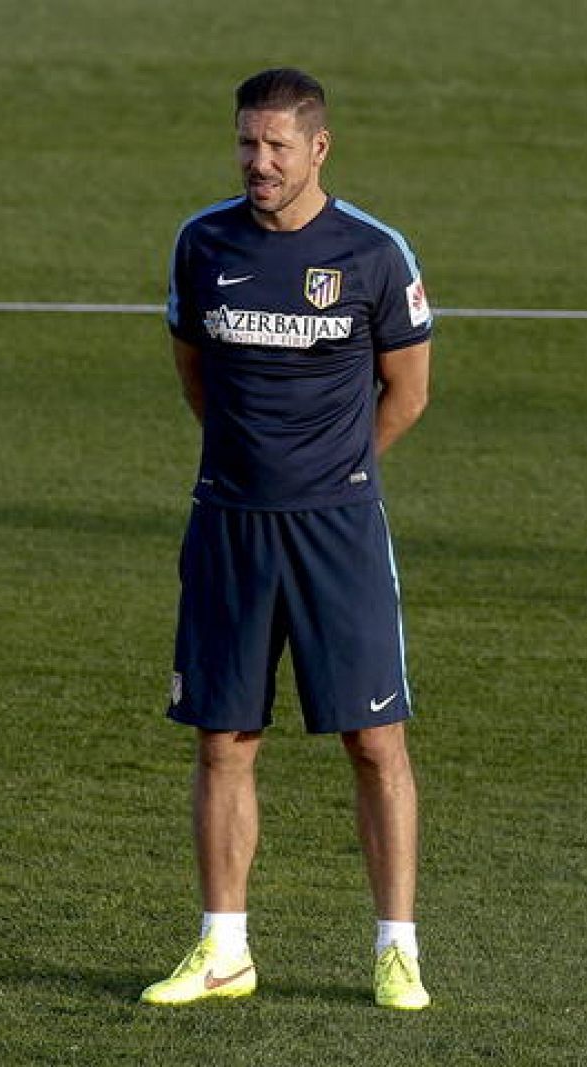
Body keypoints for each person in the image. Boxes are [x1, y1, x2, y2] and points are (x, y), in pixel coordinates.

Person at [139, 68, 433, 1011]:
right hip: (227, 523)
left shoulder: (375, 254)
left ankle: (398, 949)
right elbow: (195, 374)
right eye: (245, 144)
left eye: (275, 146)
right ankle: (223, 949)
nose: (257, 162)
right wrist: (250, 466)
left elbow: (409, 393)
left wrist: (329, 470)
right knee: (223, 738)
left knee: (373, 740)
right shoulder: (202, 241)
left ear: (318, 148)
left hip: (337, 529)